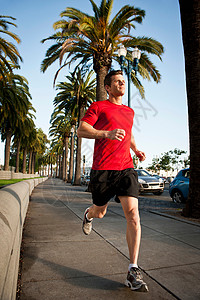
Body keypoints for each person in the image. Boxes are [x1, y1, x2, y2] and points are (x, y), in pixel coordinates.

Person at [77, 70, 148, 292]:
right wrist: (106, 134)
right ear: (107, 87)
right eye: (117, 81)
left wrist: (135, 149)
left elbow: (128, 134)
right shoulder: (98, 107)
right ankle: (88, 215)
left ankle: (133, 269)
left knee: (133, 215)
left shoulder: (129, 111)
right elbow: (82, 130)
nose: (121, 84)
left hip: (126, 168)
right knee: (100, 212)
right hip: (103, 170)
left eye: (123, 81)